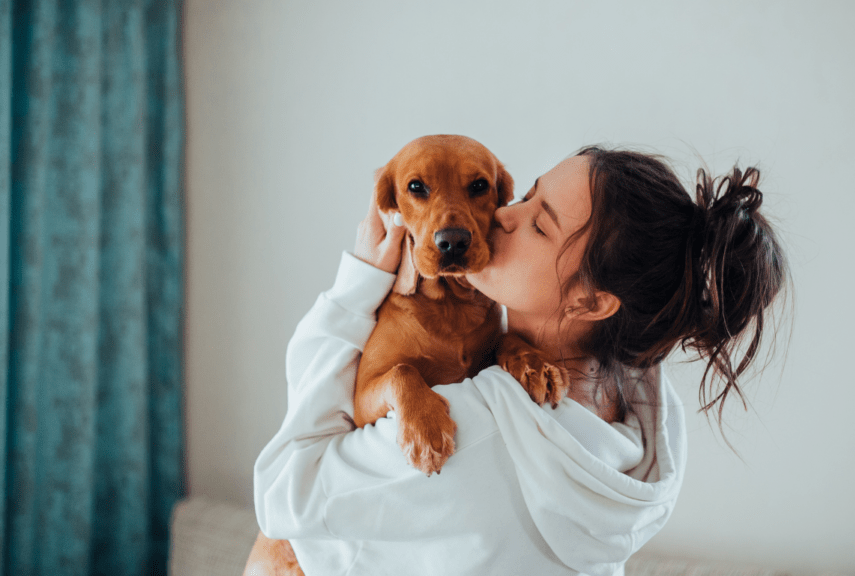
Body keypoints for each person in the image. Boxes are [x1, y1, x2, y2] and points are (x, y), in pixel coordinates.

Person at [253, 145, 789, 576]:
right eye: (527, 195)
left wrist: (354, 290)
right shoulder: (642, 416)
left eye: (540, 224)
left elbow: (282, 494)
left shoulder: (475, 432)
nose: (504, 216)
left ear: (592, 302)